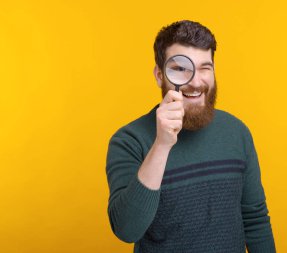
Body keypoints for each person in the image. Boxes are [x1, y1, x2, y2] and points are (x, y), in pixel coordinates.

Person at [106, 20, 276, 253]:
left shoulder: (237, 132)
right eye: (180, 68)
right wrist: (162, 145)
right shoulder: (129, 141)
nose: (195, 82)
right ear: (159, 75)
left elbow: (255, 220)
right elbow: (127, 230)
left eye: (205, 68)